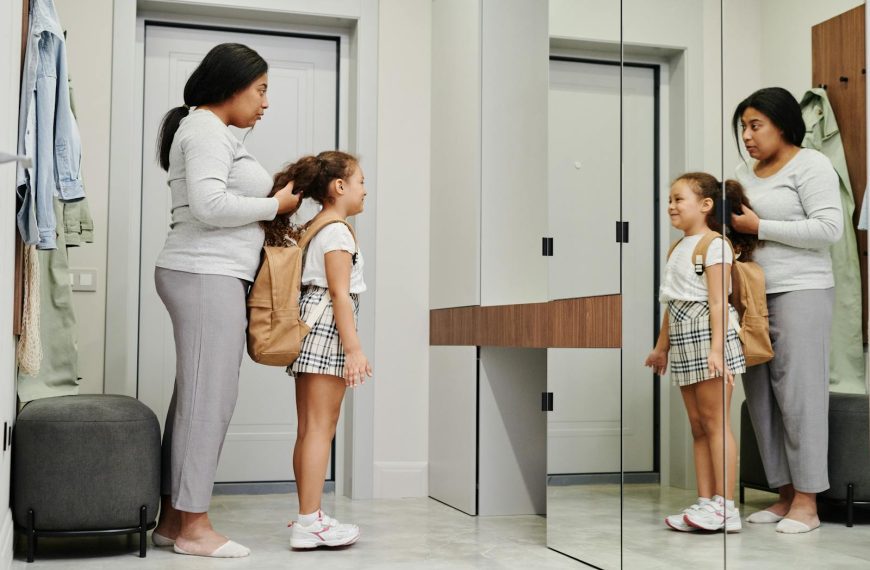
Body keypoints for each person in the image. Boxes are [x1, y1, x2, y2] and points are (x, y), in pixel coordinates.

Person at [150, 43, 301, 558]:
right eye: (260, 90)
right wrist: (275, 203)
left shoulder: (210, 131)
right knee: (209, 399)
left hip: (208, 274)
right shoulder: (205, 129)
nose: (264, 103)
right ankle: (194, 528)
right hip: (204, 274)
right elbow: (210, 205)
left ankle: (174, 520)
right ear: (231, 86)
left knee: (196, 397)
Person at [731, 87, 843, 534]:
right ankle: (782, 494)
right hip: (753, 295)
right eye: (742, 127)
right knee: (759, 393)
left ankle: (808, 502)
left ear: (783, 125)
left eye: (755, 125)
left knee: (799, 395)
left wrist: (760, 226)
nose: (747, 136)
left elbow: (829, 229)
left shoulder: (812, 164)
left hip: (802, 290)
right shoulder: (743, 171)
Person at [265, 150, 371, 549]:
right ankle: (310, 521)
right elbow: (340, 295)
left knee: (310, 428)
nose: (364, 191)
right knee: (320, 430)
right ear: (339, 187)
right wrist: (355, 349)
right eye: (360, 182)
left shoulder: (316, 226)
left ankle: (309, 516)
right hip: (327, 329)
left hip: (311, 327)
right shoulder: (338, 232)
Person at [646, 173, 756, 533]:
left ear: (706, 205)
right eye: (670, 200)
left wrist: (716, 351)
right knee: (697, 427)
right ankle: (707, 501)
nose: (671, 206)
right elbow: (672, 301)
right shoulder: (677, 247)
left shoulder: (715, 245)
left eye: (679, 199)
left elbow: (716, 302)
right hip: (682, 335)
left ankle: (726, 507)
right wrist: (662, 347)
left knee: (715, 423)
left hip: (710, 339)